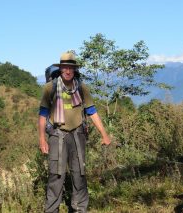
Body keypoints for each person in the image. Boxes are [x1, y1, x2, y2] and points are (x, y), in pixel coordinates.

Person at [38, 51, 111, 213]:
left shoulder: (81, 87)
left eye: (71, 68)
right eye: (65, 67)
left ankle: (79, 209)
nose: (68, 71)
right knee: (56, 176)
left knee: (79, 175)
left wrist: (104, 134)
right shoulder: (50, 88)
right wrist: (42, 139)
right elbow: (43, 114)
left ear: (75, 69)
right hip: (57, 135)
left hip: (78, 135)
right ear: (60, 68)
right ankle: (51, 210)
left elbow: (92, 111)